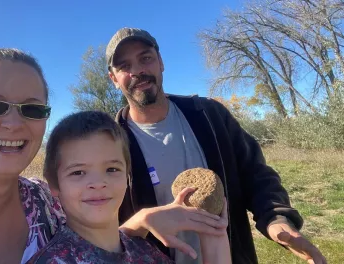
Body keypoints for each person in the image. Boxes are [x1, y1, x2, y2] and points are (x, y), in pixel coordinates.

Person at [0, 47, 226, 264]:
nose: (14, 123)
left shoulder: (44, 201)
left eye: (32, 109)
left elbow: (94, 244)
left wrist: (141, 221)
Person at [106, 27, 328, 264]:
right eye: (124, 66)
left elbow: (255, 175)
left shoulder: (209, 115)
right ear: (113, 79)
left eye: (146, 58)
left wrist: (277, 220)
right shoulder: (109, 142)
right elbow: (100, 226)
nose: (138, 71)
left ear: (161, 62)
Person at [31, 110, 231, 264]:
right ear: (54, 184)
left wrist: (213, 232)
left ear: (127, 175)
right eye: (78, 172)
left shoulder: (144, 250)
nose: (98, 183)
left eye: (111, 169)